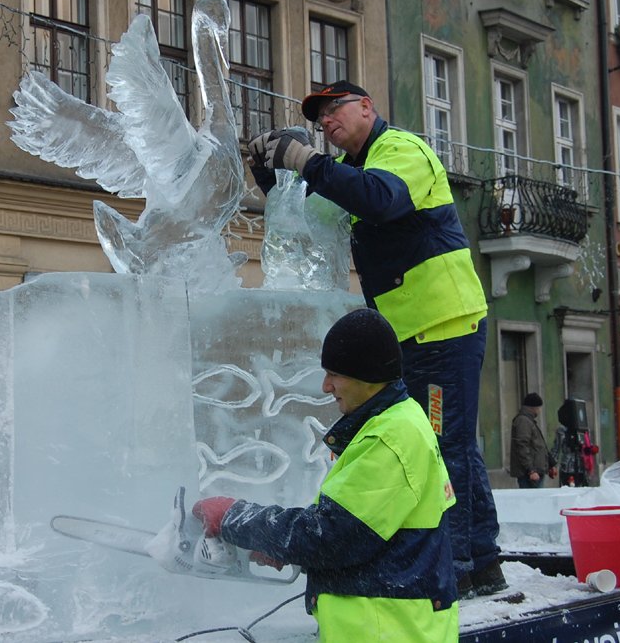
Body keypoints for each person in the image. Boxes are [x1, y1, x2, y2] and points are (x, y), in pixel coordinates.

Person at [247, 80, 500, 597]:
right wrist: (268, 168)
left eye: (334, 109)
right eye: (319, 120)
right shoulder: (354, 174)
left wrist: (308, 161)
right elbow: (304, 216)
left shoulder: (402, 151)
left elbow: (381, 200)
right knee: (452, 443)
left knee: (441, 443)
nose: (327, 123)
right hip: (413, 337)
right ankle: (482, 559)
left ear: (367, 107)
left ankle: (455, 566)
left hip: (444, 329)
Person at [192, 309, 458, 641]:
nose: (326, 385)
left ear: (367, 374)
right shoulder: (398, 423)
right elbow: (366, 536)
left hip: (388, 632)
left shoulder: (390, 440)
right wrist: (288, 549)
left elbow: (330, 537)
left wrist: (232, 516)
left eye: (335, 374)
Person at [508, 393, 557, 488]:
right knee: (533, 501)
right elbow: (522, 446)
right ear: (533, 408)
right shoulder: (523, 421)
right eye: (539, 408)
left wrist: (551, 464)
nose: (539, 411)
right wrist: (531, 470)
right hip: (530, 475)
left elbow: (540, 445)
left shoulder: (529, 421)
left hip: (536, 472)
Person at [550, 399, 598, 487]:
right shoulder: (562, 431)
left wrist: (590, 450)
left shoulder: (583, 430)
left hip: (582, 468)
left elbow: (586, 448)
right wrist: (552, 465)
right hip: (568, 469)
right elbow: (556, 450)